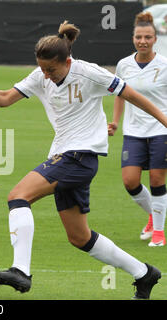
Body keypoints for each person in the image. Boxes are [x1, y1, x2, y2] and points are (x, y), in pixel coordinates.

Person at [0, 21, 165, 299]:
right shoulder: (40, 75)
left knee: (18, 196)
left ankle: (21, 270)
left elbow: (131, 95)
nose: (46, 76)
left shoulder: (89, 73)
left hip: (80, 157)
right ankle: (144, 274)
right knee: (80, 237)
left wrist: (165, 120)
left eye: (51, 69)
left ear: (68, 61)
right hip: (64, 156)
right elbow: (4, 99)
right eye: (42, 68)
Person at [108, 13, 167, 247]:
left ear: (155, 39)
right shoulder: (123, 64)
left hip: (161, 129)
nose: (143, 41)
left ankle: (159, 233)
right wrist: (115, 122)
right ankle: (153, 215)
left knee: (156, 178)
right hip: (134, 131)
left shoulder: (164, 65)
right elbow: (120, 94)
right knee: (130, 181)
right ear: (133, 38)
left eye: (148, 37)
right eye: (139, 37)